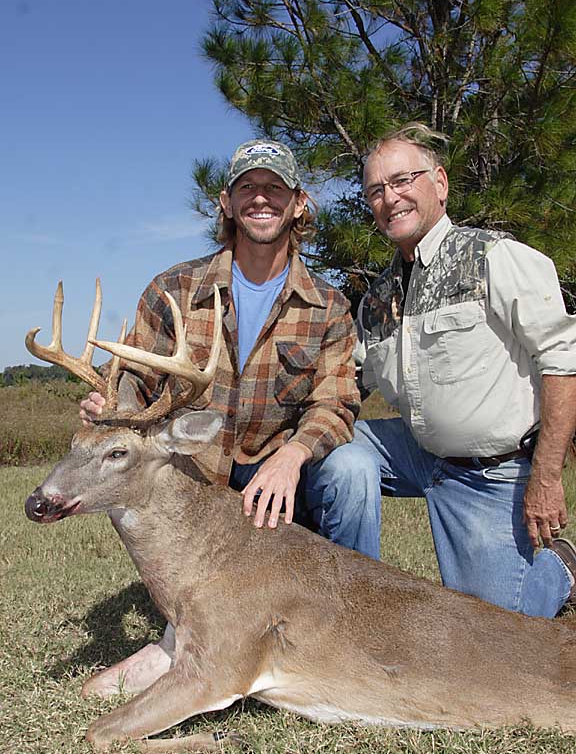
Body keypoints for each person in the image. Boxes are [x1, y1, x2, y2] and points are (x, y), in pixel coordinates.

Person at [79, 138, 361, 696]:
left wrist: (293, 454)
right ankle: (187, 628)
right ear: (226, 204)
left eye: (275, 188)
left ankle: (353, 625)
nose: (262, 199)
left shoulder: (328, 305)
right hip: (198, 481)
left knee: (352, 471)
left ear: (298, 203)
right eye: (247, 188)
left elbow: (336, 402)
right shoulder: (175, 289)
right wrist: (108, 410)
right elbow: (130, 380)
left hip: (280, 484)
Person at [312, 122, 576, 618]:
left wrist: (546, 475)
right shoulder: (378, 298)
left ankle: (560, 571)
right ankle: (357, 606)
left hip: (491, 472)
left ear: (440, 182)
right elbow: (342, 381)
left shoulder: (494, 258)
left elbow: (565, 360)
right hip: (417, 452)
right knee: (335, 448)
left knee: (492, 633)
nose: (390, 198)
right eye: (375, 190)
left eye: (402, 181)